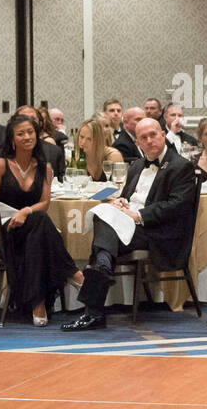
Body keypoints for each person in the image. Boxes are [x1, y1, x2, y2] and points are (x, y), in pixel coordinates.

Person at [63, 116, 197, 332]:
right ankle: (102, 269)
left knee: (102, 224)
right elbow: (127, 196)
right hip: (128, 228)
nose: (150, 140)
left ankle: (94, 308)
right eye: (144, 138)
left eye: (153, 135)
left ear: (163, 135)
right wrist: (120, 201)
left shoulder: (181, 167)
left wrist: (139, 216)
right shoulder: (135, 166)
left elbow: (177, 206)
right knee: (104, 214)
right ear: (138, 143)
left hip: (157, 233)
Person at [0, 113, 77, 326]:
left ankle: (38, 303)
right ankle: (74, 275)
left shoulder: (44, 167)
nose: (27, 137)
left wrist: (25, 211)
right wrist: (16, 215)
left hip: (30, 227)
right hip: (3, 227)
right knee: (42, 223)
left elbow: (45, 202)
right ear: (12, 139)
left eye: (30, 132)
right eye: (21, 134)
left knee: (38, 227)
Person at [74, 114, 123, 182]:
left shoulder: (113, 156)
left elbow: (120, 186)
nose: (83, 142)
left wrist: (97, 193)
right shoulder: (77, 157)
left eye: (89, 139)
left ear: (98, 141)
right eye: (81, 137)